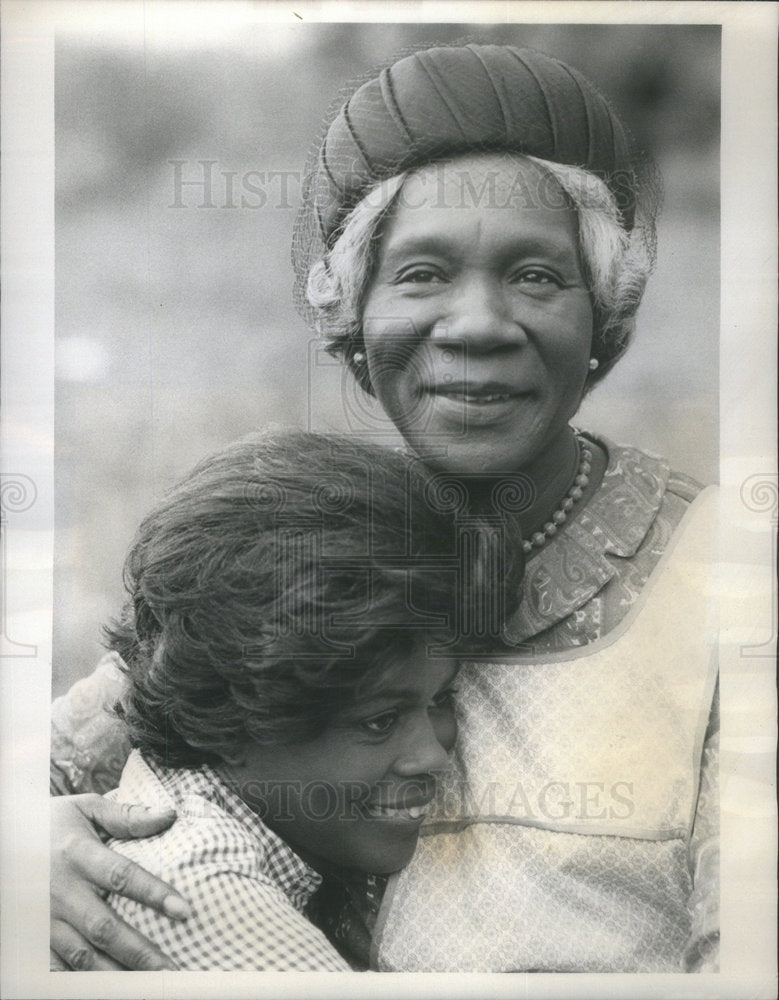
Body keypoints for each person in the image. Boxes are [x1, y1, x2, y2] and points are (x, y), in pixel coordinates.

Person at [50, 42, 719, 973]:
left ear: (602, 316)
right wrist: (33, 847)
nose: (480, 324)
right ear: (351, 314)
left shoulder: (730, 579)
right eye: (420, 274)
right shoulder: (288, 549)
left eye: (536, 276)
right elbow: (89, 743)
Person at [54, 428, 521, 970]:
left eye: (441, 699)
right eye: (379, 720)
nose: (434, 757)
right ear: (230, 720)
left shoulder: (212, 815)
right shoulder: (210, 899)